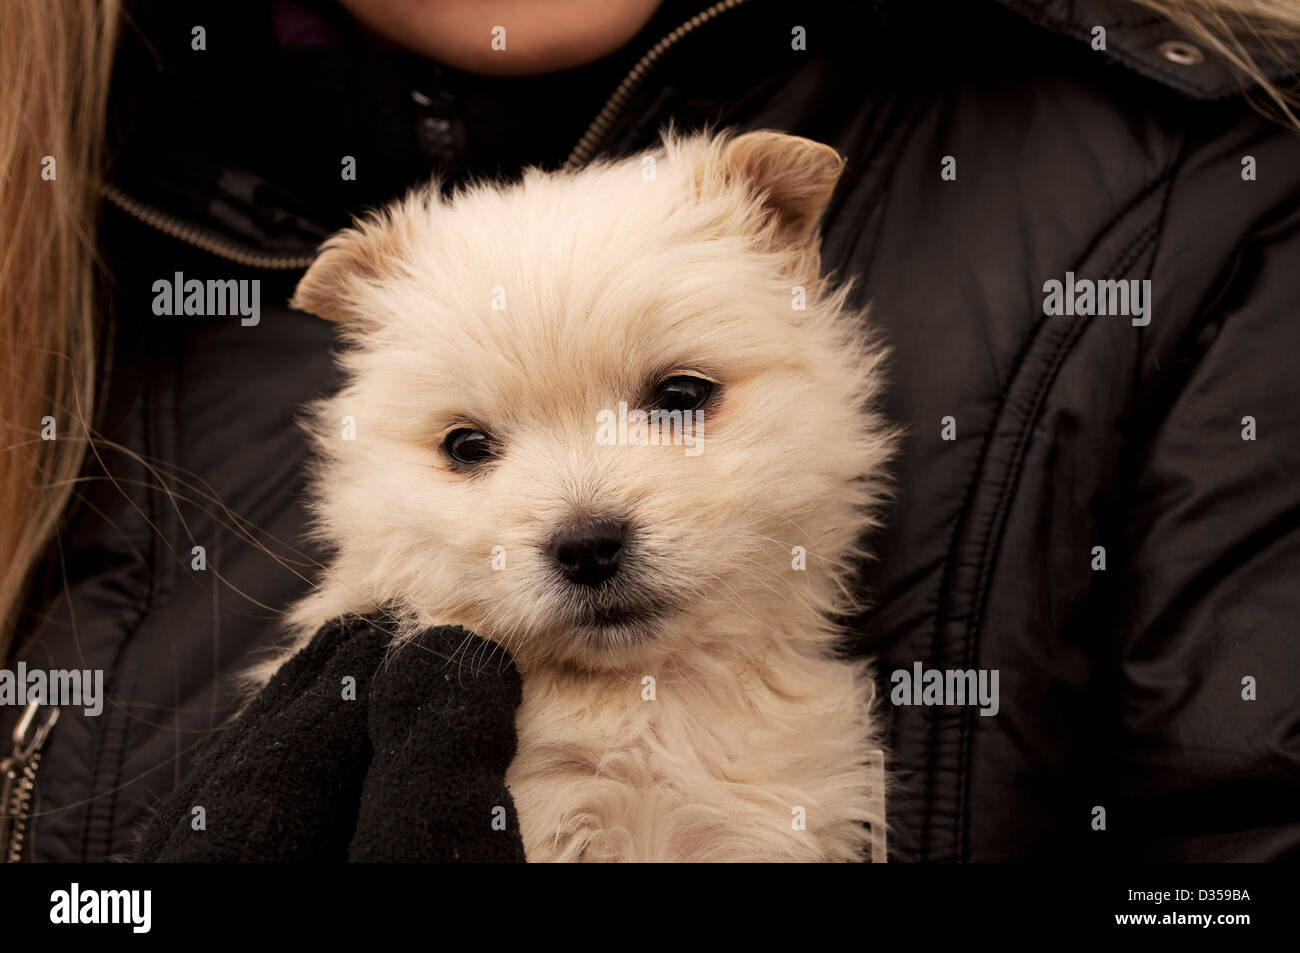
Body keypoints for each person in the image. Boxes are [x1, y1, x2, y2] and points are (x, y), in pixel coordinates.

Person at [2, 0, 1298, 863]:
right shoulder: (74, 245)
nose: (583, 514)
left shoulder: (1204, 187)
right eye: (469, 447)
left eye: (678, 399)